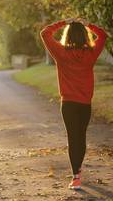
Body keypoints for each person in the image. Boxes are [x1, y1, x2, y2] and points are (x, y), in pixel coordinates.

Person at [40, 18, 107, 190]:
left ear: (67, 35)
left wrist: (63, 22)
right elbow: (103, 35)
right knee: (81, 136)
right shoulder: (91, 53)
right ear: (85, 36)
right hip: (85, 103)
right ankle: (78, 169)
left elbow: (45, 33)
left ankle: (76, 176)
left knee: (72, 138)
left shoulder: (61, 53)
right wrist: (88, 24)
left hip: (68, 104)